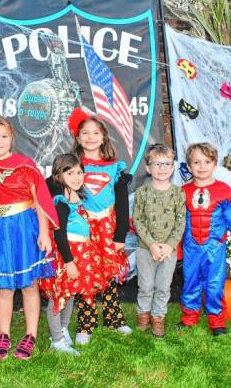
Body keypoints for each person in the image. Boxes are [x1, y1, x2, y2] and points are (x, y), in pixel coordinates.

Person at [0, 116, 58, 360]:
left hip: (24, 227)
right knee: (4, 286)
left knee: (29, 284)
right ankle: (4, 334)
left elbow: (41, 200)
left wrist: (43, 232)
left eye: (4, 136)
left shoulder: (25, 164)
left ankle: (31, 334)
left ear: (12, 138)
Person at [68, 108, 132, 345]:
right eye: (85, 133)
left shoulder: (114, 167)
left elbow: (123, 204)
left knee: (109, 272)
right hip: (83, 228)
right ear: (78, 137)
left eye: (96, 133)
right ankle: (86, 323)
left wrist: (120, 234)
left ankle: (114, 319)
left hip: (108, 228)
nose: (91, 137)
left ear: (104, 137)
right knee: (86, 272)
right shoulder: (72, 166)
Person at [178, 142, 231, 336]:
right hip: (191, 247)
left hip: (214, 248)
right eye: (196, 162)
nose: (202, 167)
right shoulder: (182, 192)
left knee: (214, 284)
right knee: (190, 282)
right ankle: (189, 317)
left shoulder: (224, 191)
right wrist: (176, 248)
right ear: (189, 166)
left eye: (207, 162)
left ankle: (216, 321)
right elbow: (177, 223)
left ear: (215, 164)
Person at [40, 154, 101, 356]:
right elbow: (59, 234)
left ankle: (64, 329)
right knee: (59, 297)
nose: (76, 177)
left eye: (79, 172)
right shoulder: (61, 201)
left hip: (80, 253)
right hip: (67, 256)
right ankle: (56, 340)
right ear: (58, 175)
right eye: (70, 173)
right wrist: (69, 262)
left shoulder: (78, 196)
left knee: (71, 293)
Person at [133, 143, 186, 338]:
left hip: (168, 251)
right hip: (145, 249)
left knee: (163, 286)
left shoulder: (178, 193)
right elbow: (137, 220)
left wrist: (170, 246)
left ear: (172, 168)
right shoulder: (142, 192)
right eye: (157, 164)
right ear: (148, 168)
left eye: (166, 164)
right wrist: (152, 245)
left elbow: (181, 221)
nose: (162, 168)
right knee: (146, 286)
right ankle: (143, 316)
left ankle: (158, 317)